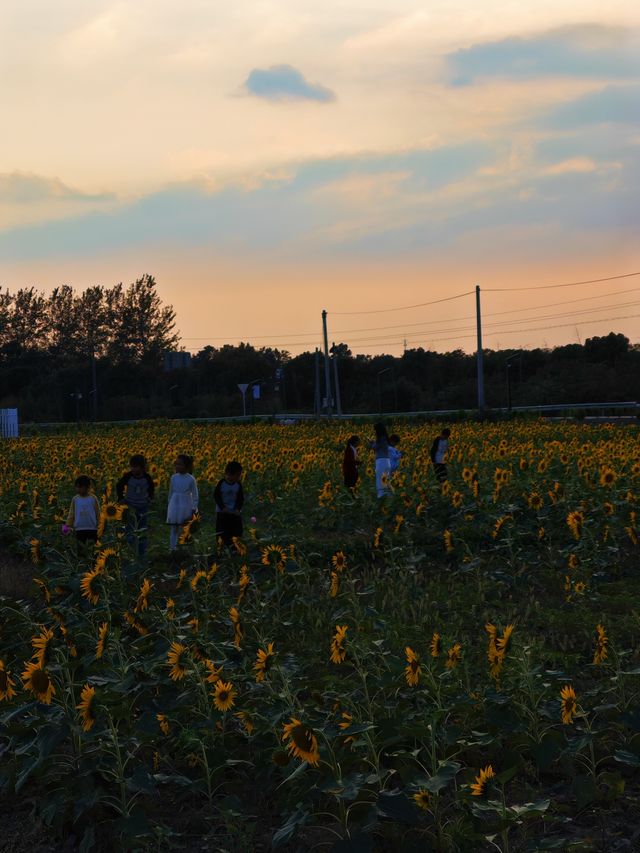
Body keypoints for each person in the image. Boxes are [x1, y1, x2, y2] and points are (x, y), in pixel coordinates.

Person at [116, 454, 155, 559]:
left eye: (135, 466)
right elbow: (119, 485)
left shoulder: (147, 477)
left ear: (142, 467)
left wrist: (150, 497)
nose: (132, 468)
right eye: (131, 466)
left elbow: (152, 487)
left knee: (142, 529)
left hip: (143, 507)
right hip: (130, 506)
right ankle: (130, 552)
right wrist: (120, 498)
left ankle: (142, 554)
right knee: (130, 529)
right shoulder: (128, 476)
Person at [166, 454, 199, 551]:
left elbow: (195, 495)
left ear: (187, 466)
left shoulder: (191, 479)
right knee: (174, 527)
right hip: (174, 504)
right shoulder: (173, 477)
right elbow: (171, 492)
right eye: (176, 464)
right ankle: (173, 548)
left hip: (185, 505)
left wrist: (194, 508)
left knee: (184, 527)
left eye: (180, 464)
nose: (177, 466)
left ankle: (184, 548)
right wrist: (169, 505)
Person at [214, 460, 245, 547]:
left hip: (234, 512)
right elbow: (217, 496)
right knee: (221, 531)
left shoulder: (238, 485)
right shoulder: (221, 483)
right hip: (222, 512)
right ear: (229, 474)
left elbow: (240, 498)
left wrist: (237, 509)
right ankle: (221, 548)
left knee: (236, 531)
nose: (240, 477)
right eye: (238, 475)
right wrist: (223, 507)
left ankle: (235, 548)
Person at [64, 475, 100, 547]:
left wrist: (100, 526)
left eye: (80, 487)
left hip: (92, 529)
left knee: (93, 550)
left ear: (87, 487)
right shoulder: (75, 499)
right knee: (81, 552)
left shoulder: (93, 498)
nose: (78, 489)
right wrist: (66, 527)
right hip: (79, 529)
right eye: (77, 487)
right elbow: (71, 514)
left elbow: (98, 513)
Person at [371, 422, 392, 498]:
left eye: (375, 430)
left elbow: (375, 448)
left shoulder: (381, 438)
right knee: (387, 481)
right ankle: (389, 499)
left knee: (380, 481)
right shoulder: (385, 438)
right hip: (387, 461)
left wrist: (372, 443)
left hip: (381, 461)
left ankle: (381, 500)